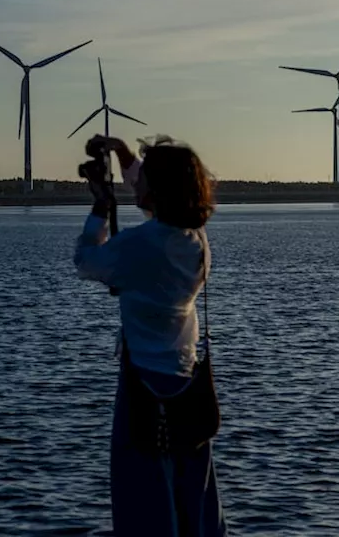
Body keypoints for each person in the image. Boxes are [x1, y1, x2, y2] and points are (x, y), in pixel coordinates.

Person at [74, 134, 226, 536]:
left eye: (143, 178)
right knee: (192, 498)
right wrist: (124, 156)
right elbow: (153, 199)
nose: (135, 183)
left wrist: (100, 207)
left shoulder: (141, 245)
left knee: (145, 500)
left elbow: (87, 262)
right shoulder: (195, 241)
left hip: (142, 390)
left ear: (157, 189)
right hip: (188, 387)